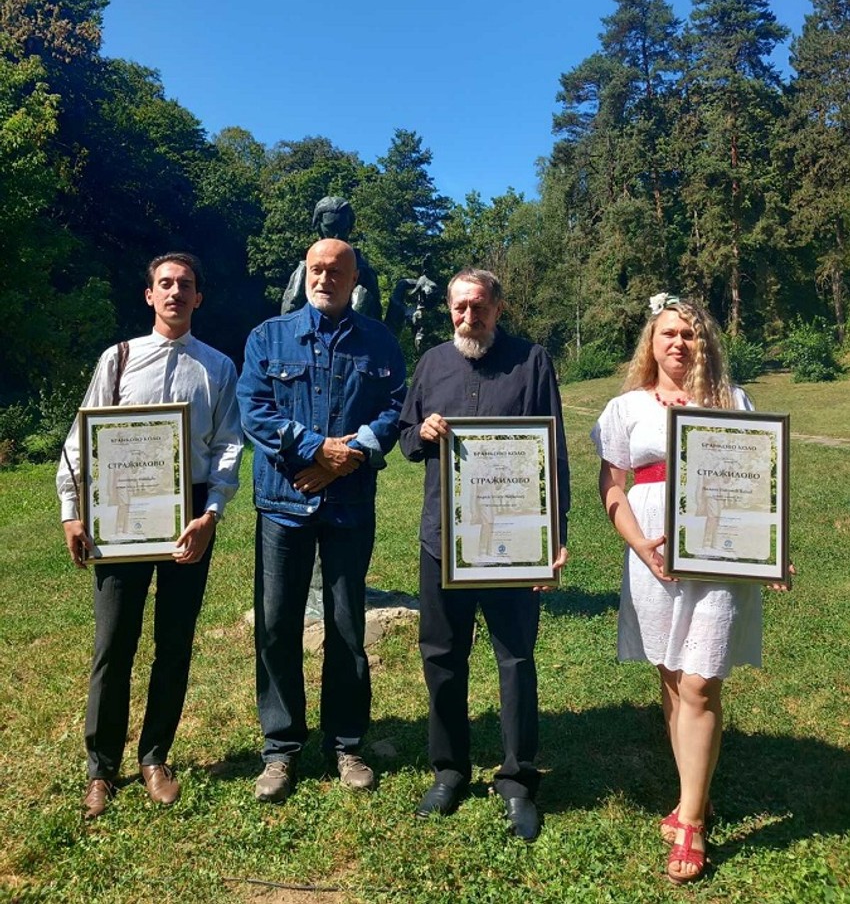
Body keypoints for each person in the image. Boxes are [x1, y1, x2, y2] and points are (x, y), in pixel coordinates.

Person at [591, 292, 786, 885]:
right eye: (668, 333)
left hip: (719, 556)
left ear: (706, 343)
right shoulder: (625, 407)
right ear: (651, 343)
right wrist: (639, 544)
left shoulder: (735, 401)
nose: (679, 342)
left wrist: (770, 551)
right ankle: (686, 795)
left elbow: (758, 483)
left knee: (700, 682)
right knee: (673, 678)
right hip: (654, 559)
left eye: (690, 334)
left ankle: (694, 824)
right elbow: (613, 489)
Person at [57, 253, 243, 820]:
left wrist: (210, 514)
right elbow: (82, 433)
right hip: (119, 516)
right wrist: (71, 509)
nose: (175, 293)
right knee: (113, 645)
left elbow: (230, 445)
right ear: (149, 295)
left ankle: (156, 756)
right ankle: (100, 768)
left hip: (187, 516)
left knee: (174, 643)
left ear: (198, 298)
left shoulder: (217, 367)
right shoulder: (118, 360)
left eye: (186, 285)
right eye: (165, 284)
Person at [398, 268, 570, 842]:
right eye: (459, 309)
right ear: (449, 311)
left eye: (479, 308)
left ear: (498, 308)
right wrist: (422, 430)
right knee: (442, 655)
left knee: (515, 657)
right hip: (442, 539)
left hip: (515, 544)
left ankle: (518, 780)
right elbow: (403, 437)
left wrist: (554, 537)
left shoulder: (531, 361)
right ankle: (449, 770)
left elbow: (554, 450)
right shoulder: (430, 364)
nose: (468, 318)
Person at [238, 238, 406, 803]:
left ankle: (346, 743)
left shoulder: (378, 340)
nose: (325, 277)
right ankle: (280, 749)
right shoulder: (269, 336)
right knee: (278, 625)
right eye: (316, 269)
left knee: (346, 627)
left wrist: (345, 457)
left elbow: (395, 408)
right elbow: (254, 409)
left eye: (336, 269)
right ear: (304, 274)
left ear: (354, 277)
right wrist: (314, 450)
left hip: (349, 504)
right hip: (283, 505)